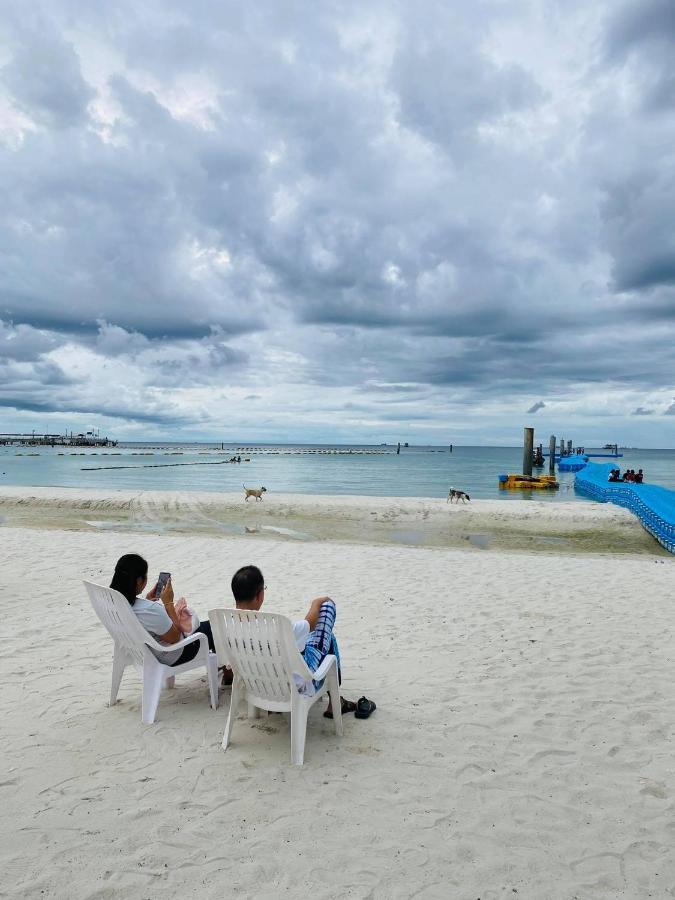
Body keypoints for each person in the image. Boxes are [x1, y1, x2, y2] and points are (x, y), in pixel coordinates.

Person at [230, 565, 370, 719]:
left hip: (257, 686)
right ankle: (336, 702)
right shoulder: (275, 627)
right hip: (294, 688)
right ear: (260, 595)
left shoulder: (226, 626)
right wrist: (316, 603)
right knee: (327, 608)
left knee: (328, 638)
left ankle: (337, 700)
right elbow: (310, 624)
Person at [110, 553, 216, 667]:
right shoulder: (149, 610)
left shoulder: (115, 603)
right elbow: (175, 638)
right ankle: (227, 674)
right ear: (139, 581)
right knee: (216, 628)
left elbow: (144, 617)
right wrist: (168, 603)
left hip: (146, 653)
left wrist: (147, 600)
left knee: (209, 626)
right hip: (176, 654)